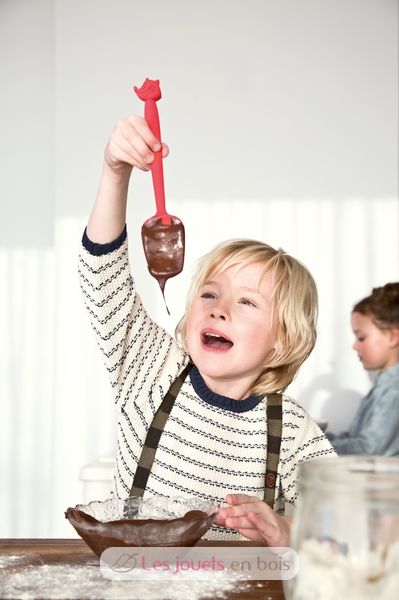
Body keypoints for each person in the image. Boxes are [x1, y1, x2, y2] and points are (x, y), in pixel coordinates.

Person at [78, 114, 335, 545]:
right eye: (209, 294)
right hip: (138, 584)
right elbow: (102, 275)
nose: (219, 310)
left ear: (284, 341)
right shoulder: (151, 370)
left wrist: (289, 531)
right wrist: (114, 172)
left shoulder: (289, 428)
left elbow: (343, 522)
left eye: (247, 302)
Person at [326, 283, 399, 456]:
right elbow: (354, 437)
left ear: (393, 337)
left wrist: (314, 448)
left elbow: (368, 448)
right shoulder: (382, 386)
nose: (354, 345)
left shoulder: (394, 389)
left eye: (361, 337)